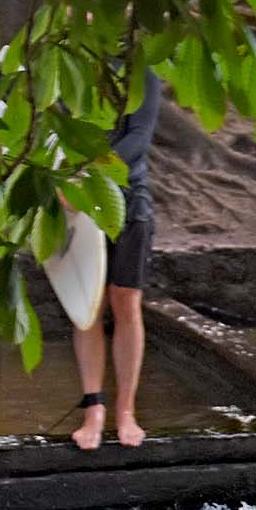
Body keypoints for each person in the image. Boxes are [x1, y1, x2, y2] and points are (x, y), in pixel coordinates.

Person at [67, 69, 162, 451]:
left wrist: (85, 177)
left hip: (127, 199)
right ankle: (94, 408)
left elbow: (138, 139)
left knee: (126, 301)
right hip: (73, 204)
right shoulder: (62, 65)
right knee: (86, 304)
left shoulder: (142, 72)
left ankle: (126, 409)